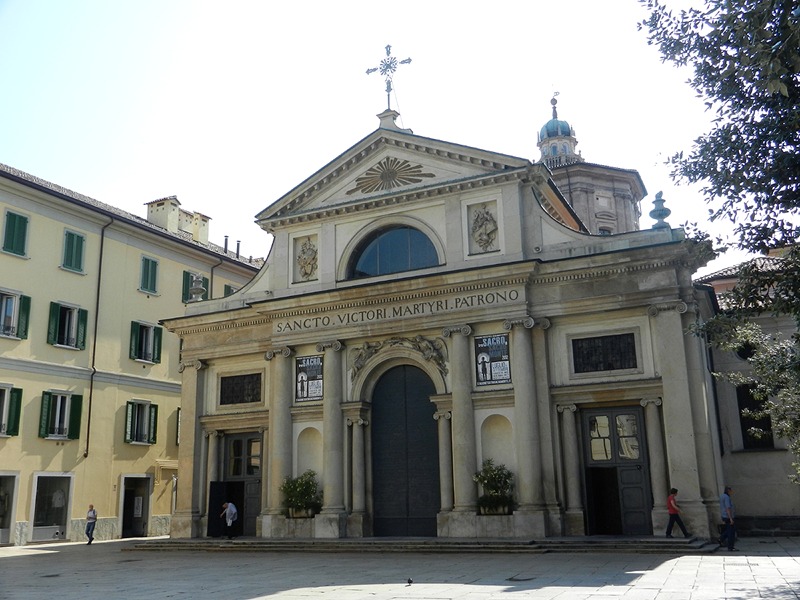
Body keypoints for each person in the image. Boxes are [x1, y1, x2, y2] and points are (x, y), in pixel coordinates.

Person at [719, 486, 737, 551]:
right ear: (728, 491)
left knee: (729, 530)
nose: (732, 492)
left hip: (724, 516)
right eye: (731, 491)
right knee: (731, 532)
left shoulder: (722, 496)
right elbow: (728, 508)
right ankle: (730, 546)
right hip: (728, 516)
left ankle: (721, 538)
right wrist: (730, 518)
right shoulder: (726, 497)